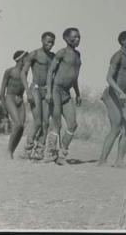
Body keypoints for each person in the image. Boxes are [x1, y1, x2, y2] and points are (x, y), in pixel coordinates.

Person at [96, 31, 126, 167]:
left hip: (122, 96)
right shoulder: (117, 56)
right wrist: (120, 92)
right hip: (112, 95)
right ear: (123, 42)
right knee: (116, 127)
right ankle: (102, 161)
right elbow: (109, 78)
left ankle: (119, 161)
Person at [43, 28, 82, 164]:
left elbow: (75, 76)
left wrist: (77, 93)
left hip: (67, 93)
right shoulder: (62, 53)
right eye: (74, 37)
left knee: (72, 124)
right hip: (56, 90)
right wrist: (48, 92)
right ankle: (50, 154)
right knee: (57, 124)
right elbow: (50, 72)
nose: (77, 39)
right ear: (66, 38)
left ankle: (62, 154)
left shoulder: (78, 55)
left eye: (78, 37)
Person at [20, 31, 56, 160]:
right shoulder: (34, 54)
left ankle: (40, 150)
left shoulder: (53, 56)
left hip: (46, 91)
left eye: (52, 42)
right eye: (48, 41)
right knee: (38, 122)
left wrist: (52, 92)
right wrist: (27, 91)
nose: (50, 44)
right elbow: (23, 73)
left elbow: (54, 76)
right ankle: (27, 150)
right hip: (34, 89)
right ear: (42, 40)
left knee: (46, 123)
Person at [1, 50, 28, 159]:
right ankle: (8, 150)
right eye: (26, 58)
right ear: (21, 59)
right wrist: (4, 106)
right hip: (10, 98)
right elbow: (2, 90)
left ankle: (12, 151)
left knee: (21, 128)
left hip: (20, 100)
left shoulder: (25, 72)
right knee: (18, 124)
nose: (28, 60)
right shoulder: (9, 71)